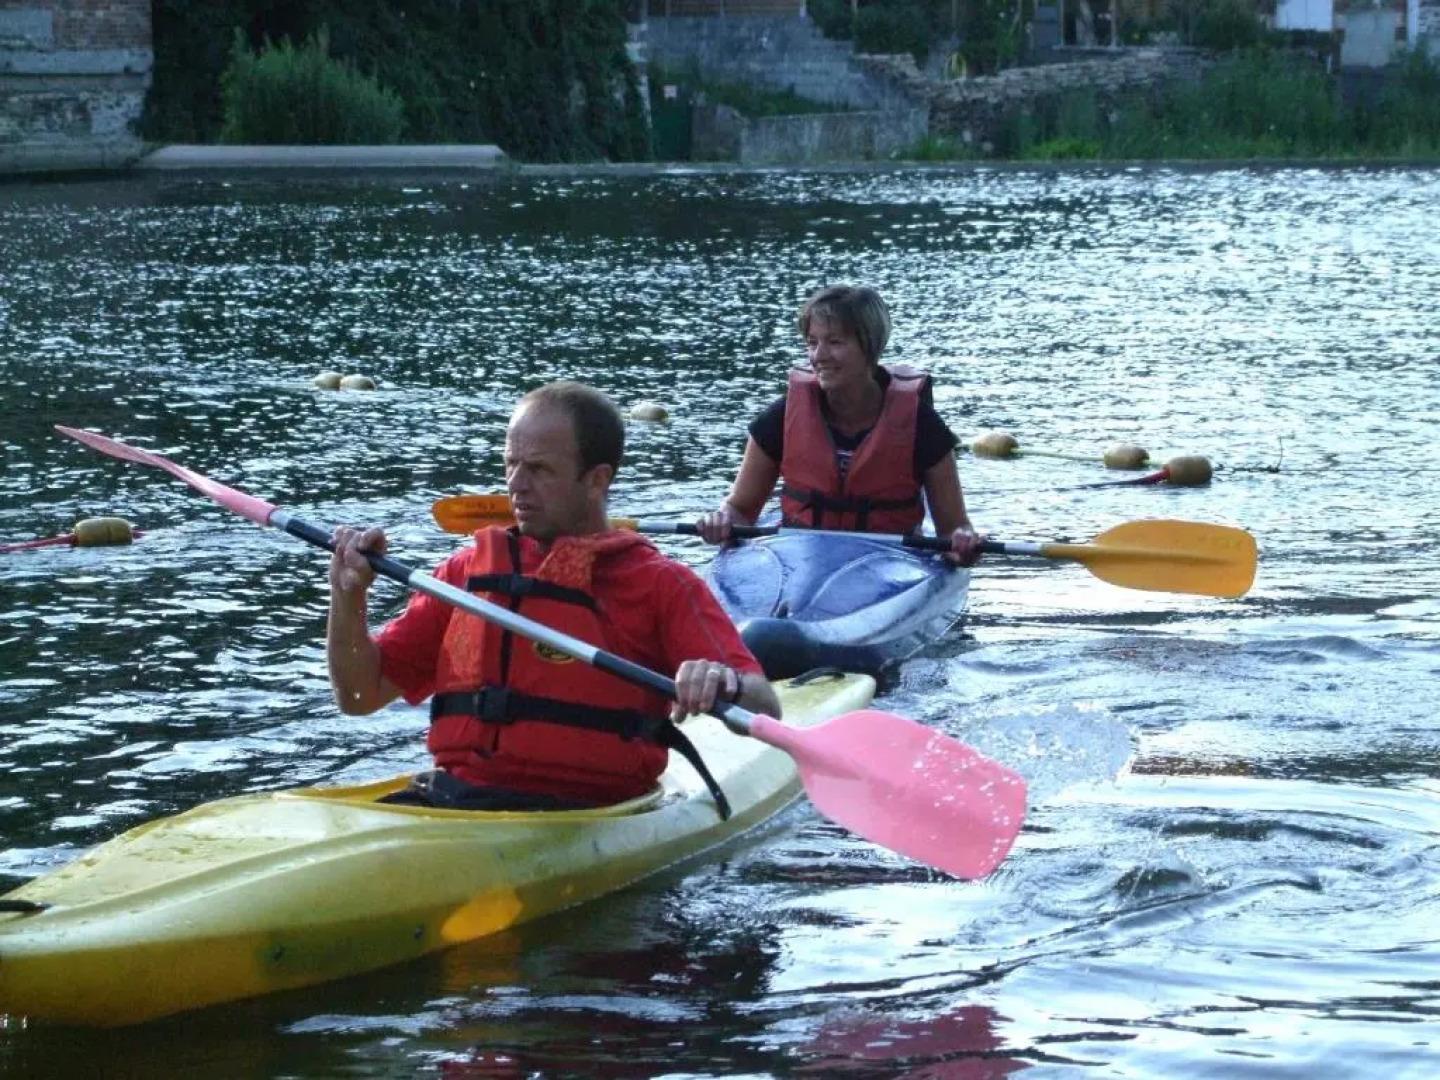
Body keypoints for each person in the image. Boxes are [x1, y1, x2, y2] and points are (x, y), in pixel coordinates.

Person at [328, 381, 781, 817]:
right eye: (511, 464)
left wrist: (724, 682)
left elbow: (766, 709)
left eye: (539, 469)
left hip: (586, 814)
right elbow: (357, 694)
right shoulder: (467, 573)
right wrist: (348, 597)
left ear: (597, 480)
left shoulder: (661, 584)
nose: (516, 485)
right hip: (459, 802)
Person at [697, 285, 982, 565]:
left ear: (869, 347)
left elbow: (954, 529)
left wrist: (963, 544)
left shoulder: (922, 425)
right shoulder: (781, 418)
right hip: (801, 560)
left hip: (892, 562)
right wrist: (721, 522)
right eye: (812, 342)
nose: (819, 356)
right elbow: (740, 509)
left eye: (835, 342)